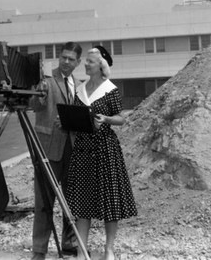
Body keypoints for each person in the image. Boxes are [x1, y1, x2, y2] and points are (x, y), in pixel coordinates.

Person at [66, 46, 137, 260]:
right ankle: (81, 250)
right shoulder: (79, 89)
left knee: (110, 201)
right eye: (86, 61)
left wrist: (105, 119)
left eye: (90, 62)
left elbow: (122, 118)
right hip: (83, 149)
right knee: (82, 201)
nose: (86, 64)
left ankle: (109, 249)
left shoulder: (110, 89)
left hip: (106, 149)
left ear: (100, 66)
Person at [29, 41, 83, 260]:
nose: (66, 62)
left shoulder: (80, 85)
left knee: (72, 201)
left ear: (78, 62)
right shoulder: (47, 82)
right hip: (48, 150)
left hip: (73, 149)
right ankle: (39, 251)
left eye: (71, 59)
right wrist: (37, 93)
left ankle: (69, 244)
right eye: (64, 57)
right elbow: (35, 105)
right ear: (59, 57)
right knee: (44, 203)